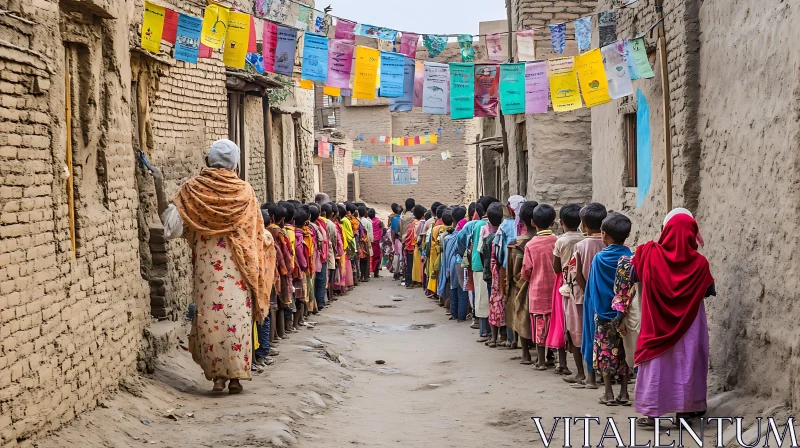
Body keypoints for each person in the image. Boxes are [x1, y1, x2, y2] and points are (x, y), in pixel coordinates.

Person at [150, 139, 276, 394]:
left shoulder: (193, 190)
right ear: (236, 164)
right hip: (239, 272)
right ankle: (235, 379)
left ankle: (217, 379)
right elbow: (256, 234)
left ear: (208, 160)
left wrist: (159, 184)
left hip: (208, 275)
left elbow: (171, 228)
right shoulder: (245, 193)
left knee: (212, 321)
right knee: (236, 322)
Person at [633, 209, 714, 424]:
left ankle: (652, 414)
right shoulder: (700, 264)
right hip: (690, 323)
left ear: (665, 230)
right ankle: (686, 412)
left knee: (658, 362)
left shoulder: (648, 254)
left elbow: (633, 274)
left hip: (656, 323)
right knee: (687, 361)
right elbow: (708, 291)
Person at [584, 213, 634, 406]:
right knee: (624, 350)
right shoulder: (631, 257)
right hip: (626, 315)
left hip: (603, 313)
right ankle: (624, 393)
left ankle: (608, 393)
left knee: (605, 352)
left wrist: (596, 309)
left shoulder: (599, 259)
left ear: (604, 235)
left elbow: (593, 287)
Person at [569, 202, 608, 389]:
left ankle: (590, 378)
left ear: (583, 225)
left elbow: (577, 275)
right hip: (610, 298)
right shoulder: (610, 242)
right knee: (608, 336)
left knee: (590, 336)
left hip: (590, 298)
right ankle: (606, 374)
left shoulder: (581, 245)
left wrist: (587, 292)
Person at [520, 204, 558, 370]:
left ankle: (541, 361)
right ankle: (555, 357)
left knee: (539, 326)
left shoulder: (530, 244)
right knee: (555, 323)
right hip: (556, 291)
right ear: (553, 223)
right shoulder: (557, 241)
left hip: (537, 291)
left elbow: (526, 270)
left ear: (533, 223)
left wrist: (531, 278)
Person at [552, 204, 585, 379]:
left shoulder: (561, 241)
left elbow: (556, 267)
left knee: (573, 329)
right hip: (587, 288)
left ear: (561, 222)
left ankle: (580, 372)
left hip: (569, 289)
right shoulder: (585, 239)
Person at [506, 201, 537, 363]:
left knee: (522, 315)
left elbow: (512, 270)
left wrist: (508, 285)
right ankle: (549, 353)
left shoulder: (516, 243)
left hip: (521, 285)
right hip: (544, 284)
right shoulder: (551, 241)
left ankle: (525, 352)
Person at [472, 197, 499, 339]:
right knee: (485, 298)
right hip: (486, 267)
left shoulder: (477, 225)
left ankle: (486, 330)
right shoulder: (484, 226)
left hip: (481, 265)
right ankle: (486, 330)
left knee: (483, 298)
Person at [483, 202, 506, 347]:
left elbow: (483, 257)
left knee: (492, 305)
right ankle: (504, 336)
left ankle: (493, 337)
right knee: (503, 304)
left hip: (490, 275)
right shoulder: (504, 236)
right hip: (502, 275)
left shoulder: (488, 239)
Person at [309, 204, 328, 312]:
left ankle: (316, 303)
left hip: (313, 257)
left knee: (313, 281)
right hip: (319, 257)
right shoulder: (319, 226)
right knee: (320, 280)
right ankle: (319, 302)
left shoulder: (309, 227)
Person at [404, 205, 425, 289]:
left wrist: (406, 246)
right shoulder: (423, 223)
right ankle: (419, 281)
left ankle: (410, 282)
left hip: (411, 247)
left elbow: (408, 236)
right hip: (420, 247)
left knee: (410, 265)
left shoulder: (412, 224)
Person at [357, 205, 373, 282]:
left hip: (358, 242)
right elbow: (370, 235)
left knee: (359, 259)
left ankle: (359, 275)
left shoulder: (356, 221)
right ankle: (365, 276)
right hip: (366, 242)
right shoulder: (368, 222)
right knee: (366, 259)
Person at [369, 208, 383, 277]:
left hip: (369, 242)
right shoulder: (378, 221)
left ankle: (368, 272)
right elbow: (382, 230)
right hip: (376, 242)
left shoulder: (368, 221)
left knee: (370, 257)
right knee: (377, 258)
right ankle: (376, 273)